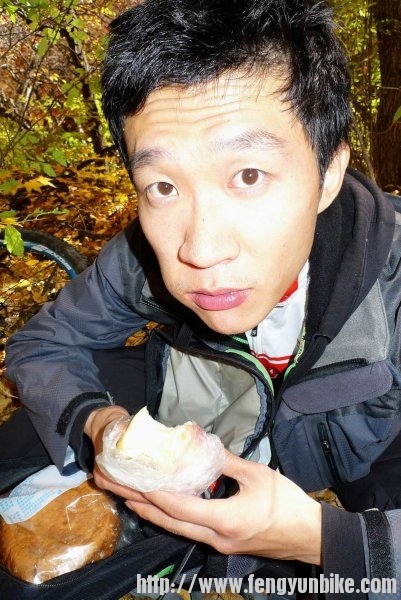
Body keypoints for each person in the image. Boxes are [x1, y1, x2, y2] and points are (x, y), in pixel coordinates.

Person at [2, 0, 401, 598]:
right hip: (211, 425)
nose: (200, 249)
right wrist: (99, 424)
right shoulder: (141, 257)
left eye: (248, 176)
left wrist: (325, 539)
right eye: (163, 186)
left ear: (329, 172)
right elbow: (42, 344)